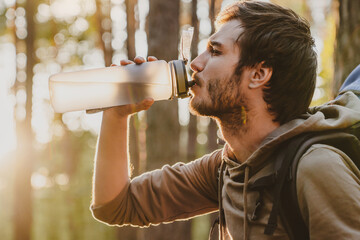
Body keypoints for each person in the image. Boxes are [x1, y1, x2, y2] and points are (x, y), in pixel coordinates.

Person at [90, 1, 360, 239]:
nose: (195, 63)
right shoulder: (227, 167)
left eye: (215, 52)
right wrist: (116, 115)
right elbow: (115, 205)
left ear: (258, 74)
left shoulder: (316, 168)